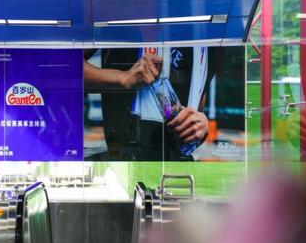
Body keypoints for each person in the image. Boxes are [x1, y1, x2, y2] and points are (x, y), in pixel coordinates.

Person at [84, 47, 223, 161]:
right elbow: (69, 64)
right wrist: (123, 78)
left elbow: (198, 103)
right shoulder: (125, 20)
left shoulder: (212, 42)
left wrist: (199, 127)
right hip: (126, 159)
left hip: (177, 166)